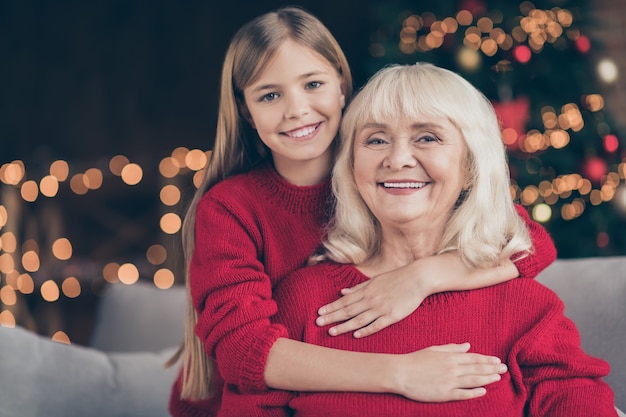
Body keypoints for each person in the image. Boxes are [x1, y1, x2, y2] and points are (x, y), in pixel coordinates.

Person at [168, 7, 557, 416]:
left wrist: (422, 277)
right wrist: (401, 373)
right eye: (269, 95)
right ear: (246, 110)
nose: (296, 109)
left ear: (341, 86)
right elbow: (245, 352)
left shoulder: (383, 176)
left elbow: (532, 243)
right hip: (228, 402)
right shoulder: (231, 208)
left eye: (312, 84)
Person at [269, 62, 617, 416]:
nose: (398, 159)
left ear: (470, 168)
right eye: (376, 139)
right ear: (351, 165)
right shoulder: (304, 298)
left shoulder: (525, 306)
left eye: (427, 137)